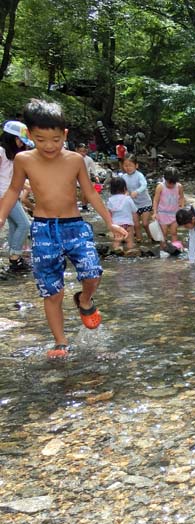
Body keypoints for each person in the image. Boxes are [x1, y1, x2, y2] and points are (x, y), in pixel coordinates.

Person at [0, 99, 127, 359]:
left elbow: (90, 192)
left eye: (55, 140)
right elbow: (13, 190)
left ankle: (84, 300)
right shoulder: (24, 159)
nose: (49, 146)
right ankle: (60, 342)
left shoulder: (75, 161)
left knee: (92, 273)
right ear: (29, 135)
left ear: (64, 135)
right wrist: (1, 218)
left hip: (75, 226)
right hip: (44, 228)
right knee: (52, 290)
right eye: (41, 139)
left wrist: (109, 221)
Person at [0, 121, 34, 272]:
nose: (21, 144)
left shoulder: (14, 156)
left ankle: (14, 258)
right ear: (10, 137)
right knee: (24, 224)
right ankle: (15, 257)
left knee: (15, 225)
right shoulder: (1, 152)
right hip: (3, 195)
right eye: (19, 140)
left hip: (12, 194)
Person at [120, 154, 154, 242]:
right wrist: (125, 194)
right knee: (136, 225)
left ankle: (152, 238)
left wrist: (137, 191)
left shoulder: (139, 175)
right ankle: (140, 241)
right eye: (125, 165)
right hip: (133, 204)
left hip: (145, 203)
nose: (128, 168)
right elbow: (123, 189)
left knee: (145, 224)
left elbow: (144, 185)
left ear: (136, 165)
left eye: (130, 165)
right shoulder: (124, 177)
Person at [152, 166, 185, 246]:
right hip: (163, 213)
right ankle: (163, 249)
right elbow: (156, 200)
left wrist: (182, 207)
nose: (171, 185)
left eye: (173, 183)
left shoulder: (179, 186)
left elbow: (182, 197)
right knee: (163, 233)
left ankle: (175, 248)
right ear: (165, 179)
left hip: (175, 213)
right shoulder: (160, 187)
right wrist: (155, 212)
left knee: (174, 232)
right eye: (169, 183)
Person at [106, 176, 137, 253]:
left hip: (117, 226)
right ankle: (130, 252)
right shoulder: (128, 199)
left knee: (117, 241)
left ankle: (117, 252)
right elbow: (134, 210)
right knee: (129, 241)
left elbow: (109, 214)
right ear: (124, 188)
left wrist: (110, 226)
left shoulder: (110, 200)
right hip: (128, 224)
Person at [76, 144, 100, 212]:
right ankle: (81, 206)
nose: (82, 153)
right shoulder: (73, 158)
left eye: (84, 151)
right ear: (76, 150)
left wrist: (96, 177)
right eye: (80, 151)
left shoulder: (88, 159)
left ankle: (84, 206)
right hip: (75, 178)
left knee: (85, 193)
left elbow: (93, 169)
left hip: (85, 178)